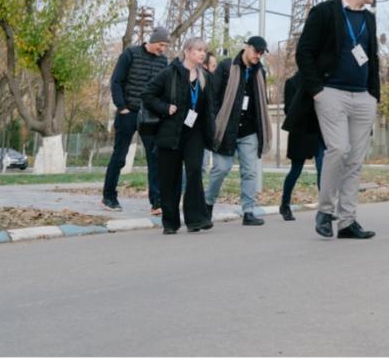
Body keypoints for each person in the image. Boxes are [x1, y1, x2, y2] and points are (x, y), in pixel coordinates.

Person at [285, 0, 381, 240]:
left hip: (363, 97)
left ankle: (348, 221)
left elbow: (372, 58)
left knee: (355, 160)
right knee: (338, 149)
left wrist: (374, 94)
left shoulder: (369, 19)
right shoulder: (324, 12)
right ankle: (325, 210)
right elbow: (304, 52)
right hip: (332, 94)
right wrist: (318, 91)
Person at [142, 36, 215, 234]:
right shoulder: (169, 73)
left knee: (194, 172)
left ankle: (196, 220)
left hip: (194, 134)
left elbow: (208, 109)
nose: (202, 54)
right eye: (198, 50)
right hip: (170, 133)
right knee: (170, 178)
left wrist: (211, 135)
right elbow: (147, 95)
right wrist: (165, 108)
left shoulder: (205, 77)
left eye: (204, 50)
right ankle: (170, 223)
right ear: (187, 51)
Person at [101, 26, 170, 213]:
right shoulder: (130, 54)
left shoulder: (163, 62)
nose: (163, 49)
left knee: (154, 157)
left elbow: (163, 89)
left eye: (165, 46)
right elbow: (116, 81)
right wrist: (121, 107)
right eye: (161, 45)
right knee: (119, 156)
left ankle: (157, 202)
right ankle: (109, 197)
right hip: (128, 112)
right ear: (153, 40)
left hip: (150, 115)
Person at [205, 36, 273, 226]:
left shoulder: (260, 72)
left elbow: (261, 104)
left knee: (250, 172)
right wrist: (213, 122)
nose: (258, 56)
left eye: (262, 53)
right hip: (226, 128)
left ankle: (248, 211)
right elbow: (213, 96)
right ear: (247, 48)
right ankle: (207, 204)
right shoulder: (227, 67)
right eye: (256, 51)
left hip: (249, 130)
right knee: (221, 168)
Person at [279, 71, 324, 221]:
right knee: (295, 170)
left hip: (318, 131)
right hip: (300, 131)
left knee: (322, 169)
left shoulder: (320, 80)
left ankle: (325, 209)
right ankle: (285, 204)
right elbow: (288, 109)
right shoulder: (291, 82)